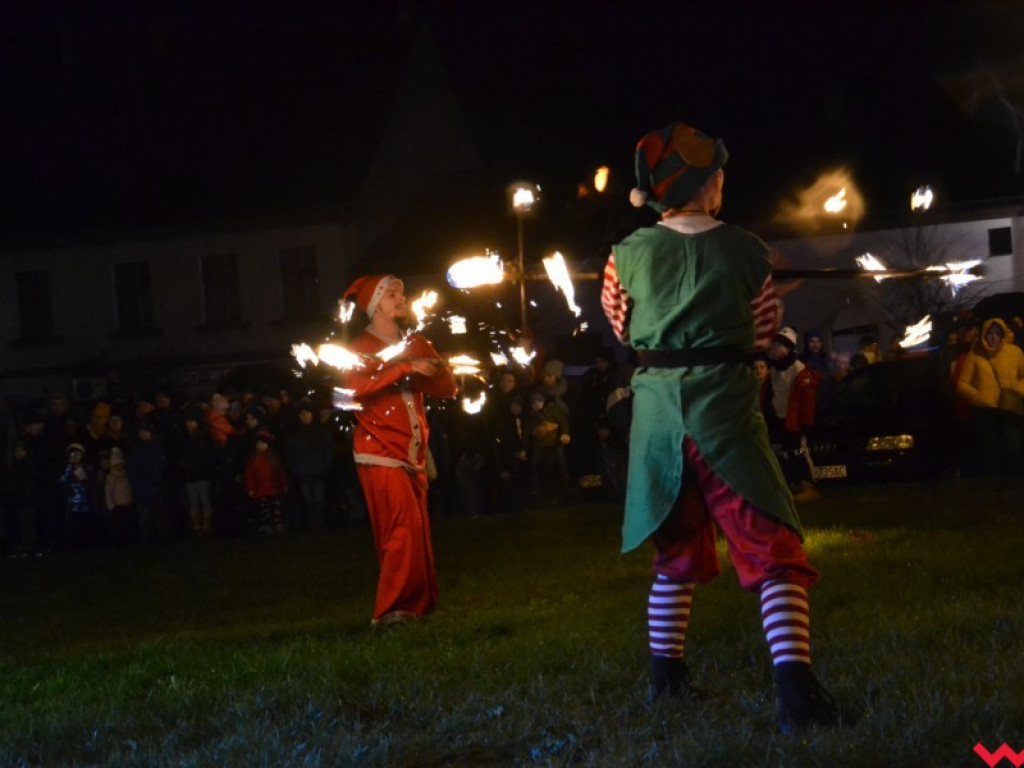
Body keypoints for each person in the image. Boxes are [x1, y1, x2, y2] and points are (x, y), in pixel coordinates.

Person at [601, 121, 840, 731]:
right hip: (726, 415)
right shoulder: (748, 249)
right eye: (719, 177)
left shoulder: (624, 255)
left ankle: (667, 682)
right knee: (772, 550)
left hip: (658, 420)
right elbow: (762, 336)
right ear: (706, 186)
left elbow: (623, 330)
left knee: (675, 554)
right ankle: (796, 697)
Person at [341, 274, 457, 628]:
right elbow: (355, 387)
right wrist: (403, 368)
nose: (400, 298)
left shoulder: (416, 342)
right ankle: (392, 610)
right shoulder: (361, 347)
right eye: (390, 294)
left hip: (413, 452)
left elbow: (447, 389)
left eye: (401, 293)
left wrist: (438, 368)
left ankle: (419, 603)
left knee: (418, 529)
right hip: (379, 451)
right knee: (401, 529)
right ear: (374, 306)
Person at [954, 317, 1024, 476]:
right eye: (990, 333)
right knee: (989, 451)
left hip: (1009, 408)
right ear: (984, 334)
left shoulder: (1015, 353)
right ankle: (992, 486)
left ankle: (1012, 483)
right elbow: (962, 383)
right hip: (984, 411)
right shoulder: (975, 355)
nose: (993, 337)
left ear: (1003, 335)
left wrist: (1018, 390)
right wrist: (977, 397)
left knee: (1011, 447)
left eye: (997, 333)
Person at [764, 327, 822, 502]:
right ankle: (793, 485)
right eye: (772, 345)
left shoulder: (799, 369)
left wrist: (806, 422)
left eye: (777, 345)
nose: (772, 348)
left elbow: (807, 399)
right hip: (779, 419)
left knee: (799, 452)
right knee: (786, 454)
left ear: (788, 348)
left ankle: (808, 485)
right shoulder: (774, 370)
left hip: (794, 420)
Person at [243, 430, 289, 534]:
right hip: (261, 489)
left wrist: (284, 484)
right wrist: (250, 488)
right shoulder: (253, 459)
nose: (260, 446)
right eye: (258, 444)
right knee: (265, 510)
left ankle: (278, 527)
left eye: (263, 444)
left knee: (276, 509)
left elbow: (281, 473)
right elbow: (249, 475)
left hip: (274, 488)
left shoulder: (274, 458)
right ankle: (267, 528)